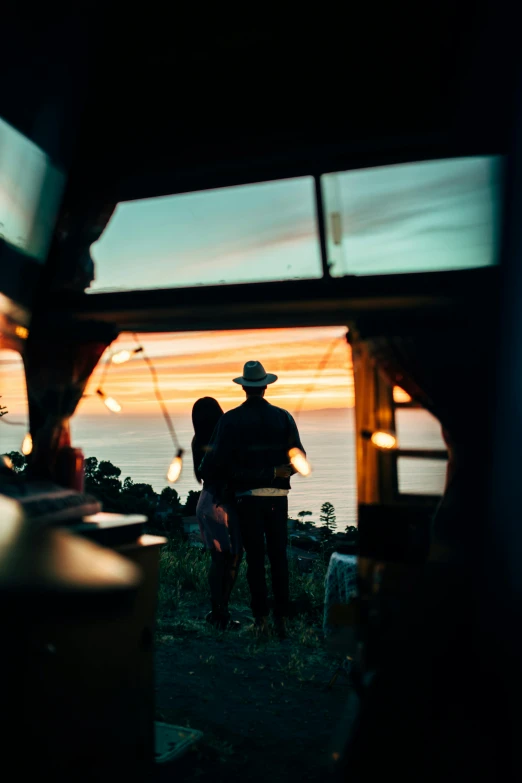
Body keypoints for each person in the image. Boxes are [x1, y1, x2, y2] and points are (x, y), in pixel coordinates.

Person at [200, 360, 305, 639]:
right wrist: (275, 472)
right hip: (278, 498)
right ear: (266, 385)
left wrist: (247, 476)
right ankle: (282, 621)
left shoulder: (230, 420)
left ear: (244, 387)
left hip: (247, 499)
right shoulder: (284, 417)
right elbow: (299, 460)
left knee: (256, 560)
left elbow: (213, 466)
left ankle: (261, 622)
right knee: (279, 557)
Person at [192, 397, 242, 630]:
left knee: (217, 560)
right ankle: (223, 611)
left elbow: (201, 476)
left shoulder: (197, 441)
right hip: (223, 505)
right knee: (232, 560)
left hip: (205, 502)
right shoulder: (223, 440)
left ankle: (217, 610)